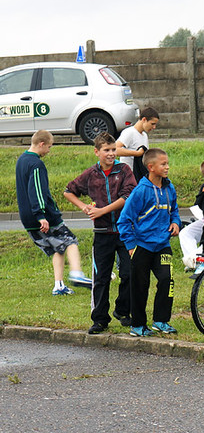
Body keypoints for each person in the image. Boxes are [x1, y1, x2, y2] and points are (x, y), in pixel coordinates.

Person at [64, 132, 137, 334]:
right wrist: (84, 207)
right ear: (97, 152)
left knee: (129, 273)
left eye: (113, 149)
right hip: (102, 234)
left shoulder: (124, 170)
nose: (111, 153)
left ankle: (123, 311)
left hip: (125, 232)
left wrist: (101, 210)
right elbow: (68, 191)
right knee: (101, 278)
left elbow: (128, 196)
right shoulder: (91, 174)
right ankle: (100, 319)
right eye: (106, 150)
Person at [15, 130, 92, 296]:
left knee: (59, 248)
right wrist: (41, 215)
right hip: (43, 216)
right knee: (70, 241)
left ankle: (59, 285)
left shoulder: (21, 160)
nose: (49, 151)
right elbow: (36, 190)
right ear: (41, 144)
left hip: (26, 217)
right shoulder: (36, 164)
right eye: (49, 147)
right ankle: (77, 274)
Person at [117, 148, 182, 337]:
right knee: (140, 286)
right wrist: (130, 246)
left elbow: (174, 210)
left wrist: (175, 223)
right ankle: (137, 325)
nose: (167, 167)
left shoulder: (169, 187)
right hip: (142, 246)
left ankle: (161, 321)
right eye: (163, 164)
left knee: (166, 280)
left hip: (163, 245)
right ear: (151, 167)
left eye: (168, 163)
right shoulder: (140, 191)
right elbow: (124, 220)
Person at [116, 107, 160, 183]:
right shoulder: (129, 132)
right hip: (128, 177)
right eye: (152, 124)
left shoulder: (144, 135)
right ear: (144, 120)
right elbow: (115, 150)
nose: (154, 127)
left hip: (139, 177)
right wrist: (137, 153)